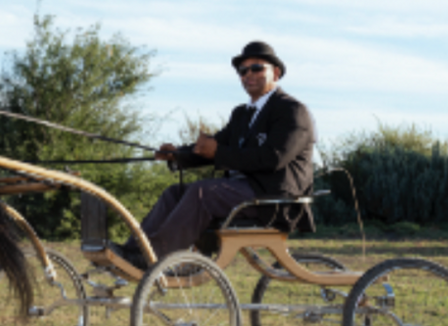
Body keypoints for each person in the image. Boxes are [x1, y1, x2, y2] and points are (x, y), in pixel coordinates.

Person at [114, 41, 314, 270]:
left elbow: (272, 158)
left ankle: (155, 257)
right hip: (241, 192)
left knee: (203, 192)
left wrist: (218, 152)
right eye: (243, 70)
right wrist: (177, 154)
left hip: (275, 198)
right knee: (174, 193)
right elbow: (213, 148)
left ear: (276, 73)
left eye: (257, 67)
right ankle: (132, 252)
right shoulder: (242, 114)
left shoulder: (292, 110)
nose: (249, 74)